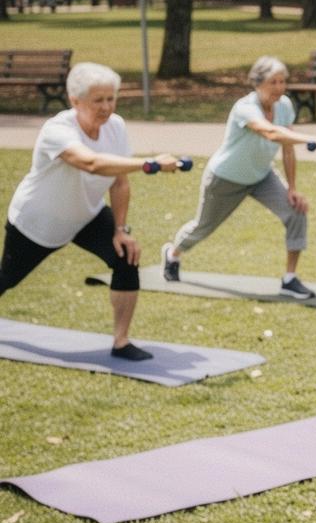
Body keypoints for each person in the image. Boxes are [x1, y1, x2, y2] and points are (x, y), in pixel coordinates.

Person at [0, 62, 184, 360]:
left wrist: (120, 230)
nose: (106, 107)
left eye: (111, 98)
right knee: (7, 279)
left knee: (126, 256)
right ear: (75, 101)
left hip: (86, 214)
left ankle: (121, 342)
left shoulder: (116, 127)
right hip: (38, 222)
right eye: (98, 100)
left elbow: (119, 182)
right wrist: (149, 164)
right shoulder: (57, 130)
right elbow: (92, 163)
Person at [162, 56, 316, 299]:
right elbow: (271, 133)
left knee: (296, 211)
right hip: (225, 177)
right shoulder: (245, 108)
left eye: (283, 82)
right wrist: (312, 139)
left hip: (261, 176)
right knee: (202, 227)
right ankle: (173, 254)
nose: (279, 88)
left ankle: (289, 279)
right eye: (273, 82)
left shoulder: (284, 106)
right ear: (257, 83)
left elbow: (286, 147)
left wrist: (292, 188)